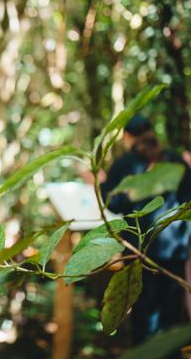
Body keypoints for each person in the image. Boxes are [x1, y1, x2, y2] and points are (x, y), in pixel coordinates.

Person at [101, 114, 191, 345]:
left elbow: (114, 204)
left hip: (140, 251)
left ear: (128, 136)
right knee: (171, 317)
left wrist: (101, 183)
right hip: (174, 248)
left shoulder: (124, 164)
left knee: (144, 317)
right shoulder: (174, 160)